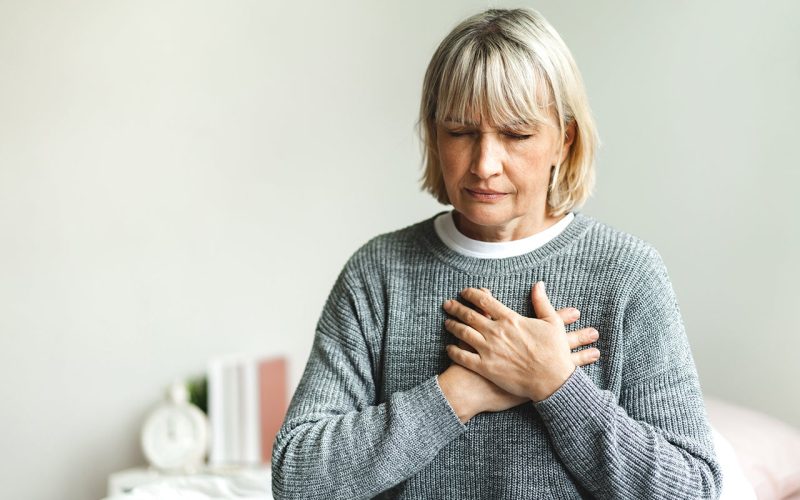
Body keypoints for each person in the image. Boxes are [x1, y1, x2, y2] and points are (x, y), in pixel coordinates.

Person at [271, 7, 722, 499]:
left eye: (516, 134)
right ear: (434, 134)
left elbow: (693, 489)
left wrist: (555, 385)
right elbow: (297, 479)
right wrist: (458, 394)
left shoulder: (627, 274)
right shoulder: (378, 272)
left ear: (564, 140)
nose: (484, 164)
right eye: (460, 132)